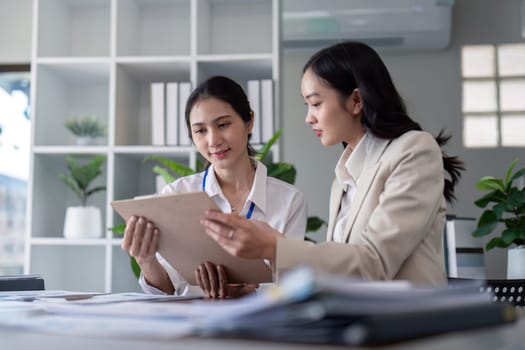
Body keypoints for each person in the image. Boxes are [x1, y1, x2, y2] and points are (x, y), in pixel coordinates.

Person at [201, 41, 464, 286]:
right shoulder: (343, 177)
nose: (308, 118)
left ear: (356, 100)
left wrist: (274, 247)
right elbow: (340, 274)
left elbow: (375, 263)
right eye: (307, 105)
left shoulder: (414, 150)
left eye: (315, 104)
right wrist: (252, 287)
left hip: (408, 327)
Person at [121, 76, 307, 298]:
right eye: (201, 131)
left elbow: (294, 284)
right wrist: (146, 260)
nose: (213, 140)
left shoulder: (289, 200)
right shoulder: (177, 195)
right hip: (193, 323)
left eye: (223, 125)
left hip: (263, 326)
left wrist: (250, 293)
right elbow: (167, 288)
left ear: (249, 122)